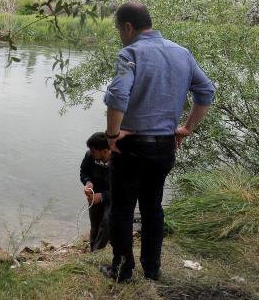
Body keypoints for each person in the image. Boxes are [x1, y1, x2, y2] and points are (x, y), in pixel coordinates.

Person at [102, 2, 215, 282]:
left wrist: (113, 136)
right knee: (153, 207)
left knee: (123, 208)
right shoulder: (182, 53)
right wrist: (186, 128)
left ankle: (122, 271)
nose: (120, 36)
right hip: (165, 146)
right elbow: (206, 90)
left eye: (120, 30)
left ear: (128, 27)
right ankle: (152, 269)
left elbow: (117, 96)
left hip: (132, 147)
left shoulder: (130, 53)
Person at [80, 132, 111, 252]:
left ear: (104, 151)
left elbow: (123, 189)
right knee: (95, 226)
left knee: (107, 222)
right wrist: (88, 182)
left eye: (93, 151)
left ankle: (97, 253)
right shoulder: (90, 156)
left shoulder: (119, 162)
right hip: (94, 195)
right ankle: (93, 252)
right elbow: (84, 172)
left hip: (113, 197)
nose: (90, 153)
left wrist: (102, 196)